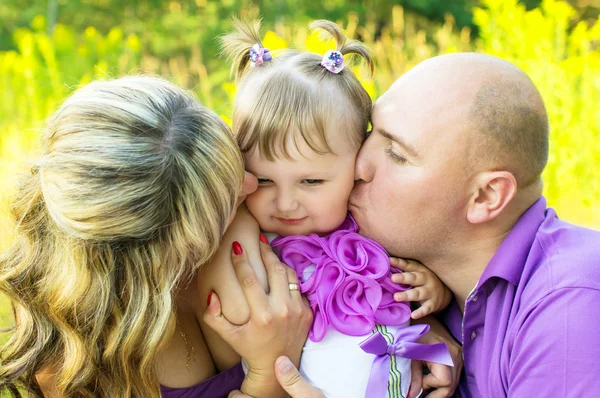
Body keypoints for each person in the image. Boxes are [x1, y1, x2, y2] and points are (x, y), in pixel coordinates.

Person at [236, 52, 600, 397]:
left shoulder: (570, 311)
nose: (358, 166)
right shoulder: (423, 277)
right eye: (369, 134)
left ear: (486, 197)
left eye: (396, 153)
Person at [0, 75, 312, 398]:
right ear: (162, 249)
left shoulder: (241, 235)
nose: (251, 184)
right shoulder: (69, 341)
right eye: (222, 202)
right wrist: (271, 377)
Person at [198, 19, 455, 398]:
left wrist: (434, 295)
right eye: (264, 180)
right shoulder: (250, 241)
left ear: (358, 165)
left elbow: (405, 300)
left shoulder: (374, 223)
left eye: (312, 182)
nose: (285, 204)